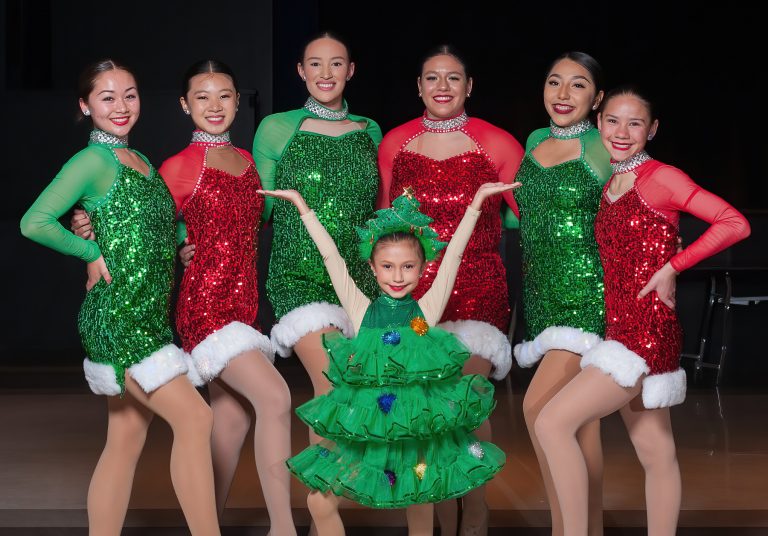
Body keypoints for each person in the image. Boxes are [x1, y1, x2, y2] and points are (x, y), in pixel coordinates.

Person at [534, 87, 751, 536]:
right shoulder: (610, 183)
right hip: (620, 328)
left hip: (645, 331)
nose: (622, 132)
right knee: (656, 452)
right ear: (599, 123)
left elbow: (734, 222)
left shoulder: (663, 178)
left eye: (635, 123)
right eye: (613, 120)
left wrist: (673, 266)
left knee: (554, 423)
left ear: (651, 130)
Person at [20, 59, 220, 535]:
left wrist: (179, 244)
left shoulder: (143, 161)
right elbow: (35, 221)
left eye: (129, 94)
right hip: (118, 317)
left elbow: (154, 225)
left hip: (151, 317)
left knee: (125, 440)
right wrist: (88, 249)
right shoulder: (91, 161)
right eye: (107, 97)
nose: (121, 106)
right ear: (85, 106)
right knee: (196, 419)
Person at [263, 181, 517, 536]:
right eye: (388, 267)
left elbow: (454, 256)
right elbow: (331, 258)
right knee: (318, 502)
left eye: (408, 267)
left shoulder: (422, 316)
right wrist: (302, 208)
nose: (398, 277)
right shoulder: (362, 309)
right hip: (366, 434)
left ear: (422, 268)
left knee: (420, 500)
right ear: (372, 267)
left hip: (413, 439)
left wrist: (476, 203)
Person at [377, 45, 524, 535]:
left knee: (466, 404)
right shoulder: (396, 142)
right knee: (426, 411)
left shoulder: (499, 144)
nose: (442, 86)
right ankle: (441, 515)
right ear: (418, 86)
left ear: (469, 86)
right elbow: (385, 228)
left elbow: (533, 221)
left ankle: (476, 508)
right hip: (417, 300)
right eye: (432, 77)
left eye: (453, 77)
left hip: (478, 288)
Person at [252, 33, 381, 444]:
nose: (326, 74)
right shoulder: (276, 128)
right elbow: (258, 208)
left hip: (359, 282)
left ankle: (337, 493)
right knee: (332, 383)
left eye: (337, 63)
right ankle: (323, 506)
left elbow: (380, 213)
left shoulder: (369, 130)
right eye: (315, 64)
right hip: (298, 278)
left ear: (351, 70)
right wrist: (189, 235)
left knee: (361, 393)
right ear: (300, 70)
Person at [512, 52, 610, 536]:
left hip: (586, 294)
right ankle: (583, 527)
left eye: (578, 85)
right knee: (580, 425)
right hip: (543, 295)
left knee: (539, 410)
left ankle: (567, 529)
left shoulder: (600, 144)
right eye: (555, 82)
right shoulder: (535, 140)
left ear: (598, 98)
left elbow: (637, 191)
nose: (564, 94)